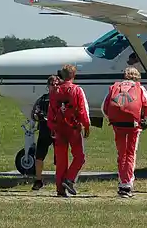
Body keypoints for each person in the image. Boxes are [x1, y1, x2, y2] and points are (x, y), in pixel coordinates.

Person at [101, 66, 147, 197]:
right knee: (130, 154)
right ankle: (127, 184)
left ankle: (121, 181)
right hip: (133, 126)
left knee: (121, 154)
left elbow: (104, 108)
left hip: (117, 125)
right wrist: (144, 119)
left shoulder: (115, 87)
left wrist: (111, 120)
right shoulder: (139, 88)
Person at [47, 64, 90, 197]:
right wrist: (86, 125)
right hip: (73, 128)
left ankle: (60, 188)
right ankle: (69, 179)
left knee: (61, 160)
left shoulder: (54, 91)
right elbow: (82, 110)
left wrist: (51, 127)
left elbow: (51, 110)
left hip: (59, 128)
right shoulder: (76, 90)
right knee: (79, 157)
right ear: (73, 75)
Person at [30, 75, 59, 191]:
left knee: (60, 158)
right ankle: (38, 180)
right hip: (44, 131)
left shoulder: (62, 99)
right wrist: (38, 115)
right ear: (48, 86)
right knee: (39, 157)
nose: (55, 86)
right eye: (52, 84)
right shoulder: (42, 99)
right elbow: (34, 114)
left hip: (58, 131)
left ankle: (60, 180)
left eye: (57, 84)